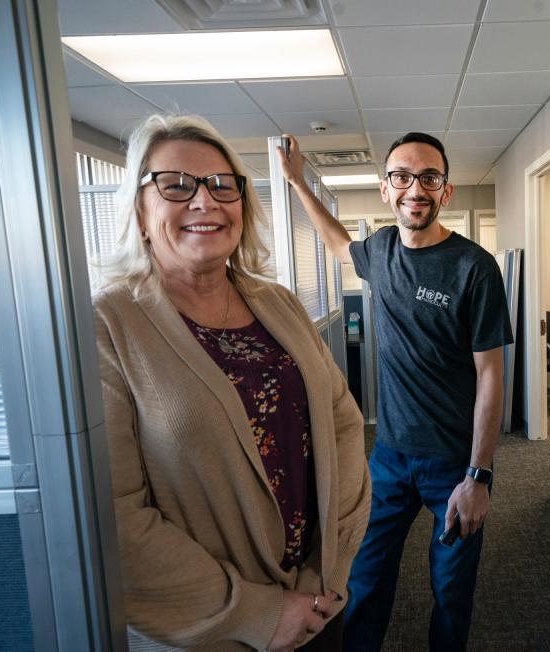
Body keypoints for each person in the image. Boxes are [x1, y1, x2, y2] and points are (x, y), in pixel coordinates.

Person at [93, 114, 370, 652]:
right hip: (216, 631)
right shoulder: (108, 324)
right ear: (140, 212)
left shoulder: (277, 302)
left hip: (319, 603)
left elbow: (343, 425)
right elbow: (115, 518)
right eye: (176, 185)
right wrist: (259, 613)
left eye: (223, 185)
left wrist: (326, 571)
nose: (206, 201)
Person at [277, 132, 513, 651]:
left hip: (453, 462)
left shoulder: (474, 267)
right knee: (364, 581)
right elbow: (338, 241)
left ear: (445, 191)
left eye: (429, 177)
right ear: (386, 188)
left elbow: (491, 374)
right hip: (387, 458)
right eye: (403, 176)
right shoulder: (380, 249)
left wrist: (479, 474)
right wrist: (296, 182)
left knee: (451, 591)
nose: (415, 188)